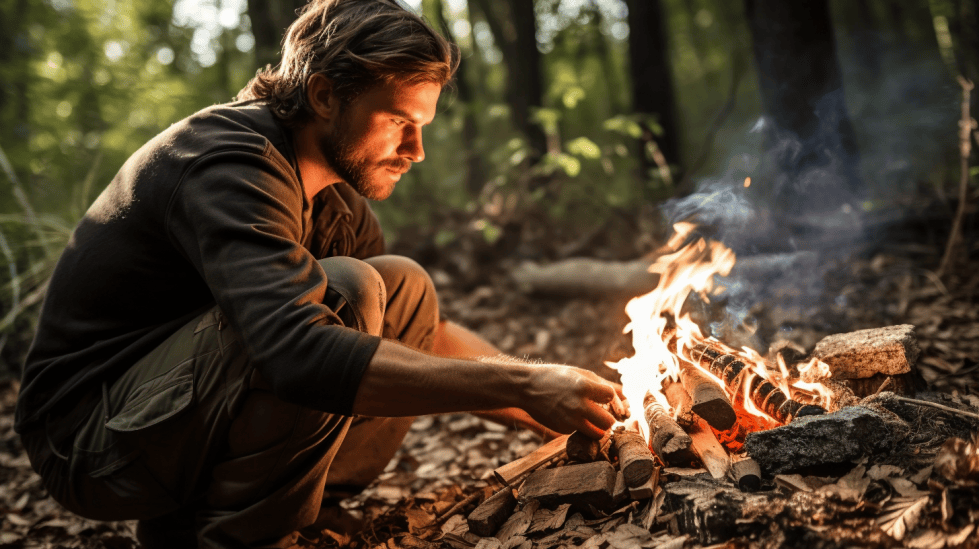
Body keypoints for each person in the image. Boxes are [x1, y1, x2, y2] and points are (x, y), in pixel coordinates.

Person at [14, 0, 625, 547]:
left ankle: (294, 513)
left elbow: (418, 339)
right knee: (349, 291)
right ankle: (235, 535)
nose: (415, 150)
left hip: (167, 418)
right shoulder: (228, 162)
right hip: (92, 439)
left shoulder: (335, 197)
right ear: (325, 95)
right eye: (396, 121)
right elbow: (299, 352)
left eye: (423, 126)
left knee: (401, 288)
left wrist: (547, 393)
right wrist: (520, 388)